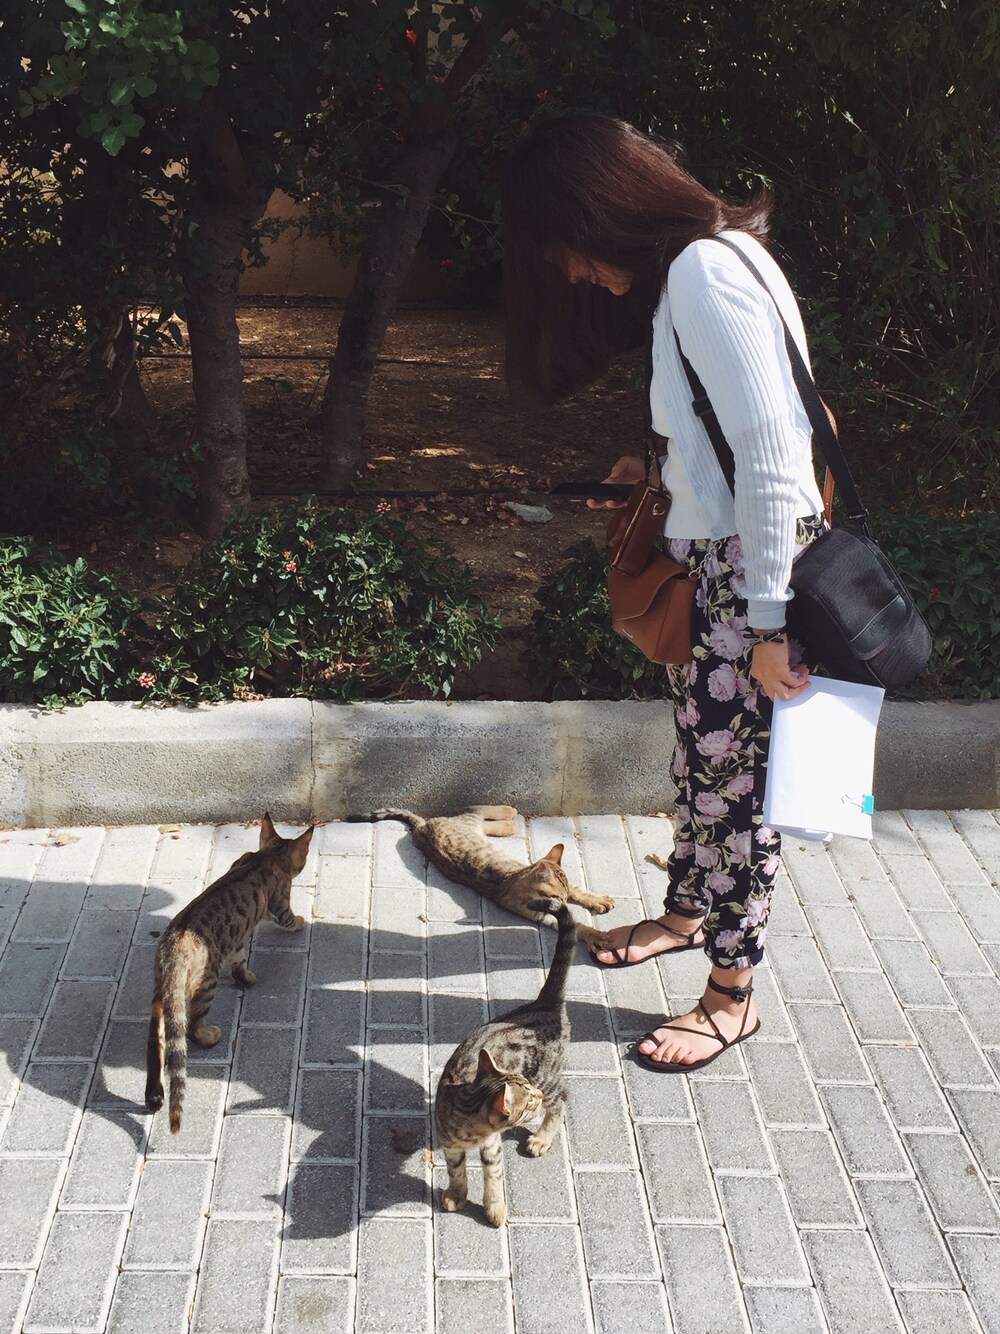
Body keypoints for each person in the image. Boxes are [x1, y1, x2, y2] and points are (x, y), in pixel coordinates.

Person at [503, 114, 826, 1073]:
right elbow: (729, 434)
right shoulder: (721, 258)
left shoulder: (701, 274)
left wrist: (769, 621)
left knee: (738, 799)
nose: (571, 273)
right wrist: (661, 471)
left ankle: (732, 996)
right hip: (728, 565)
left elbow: (776, 456)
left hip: (748, 575)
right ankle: (687, 915)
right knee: (702, 764)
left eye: (564, 249)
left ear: (596, 213)